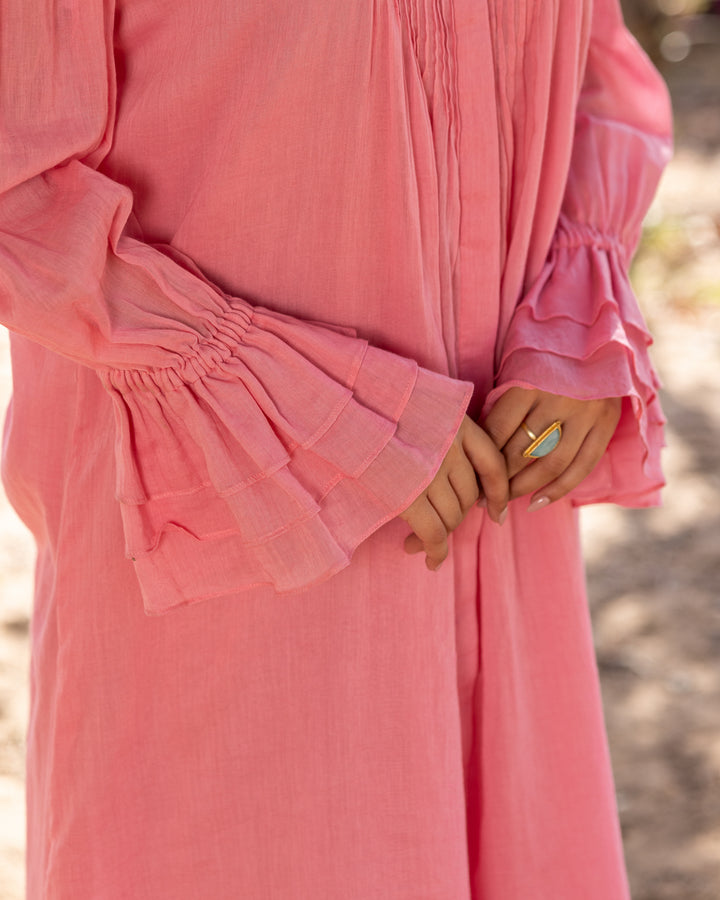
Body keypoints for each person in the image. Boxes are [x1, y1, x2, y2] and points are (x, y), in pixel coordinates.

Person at [0, 1, 672, 898]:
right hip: (235, 522)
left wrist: (576, 306)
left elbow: (597, 70)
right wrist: (315, 410)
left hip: (494, 526)